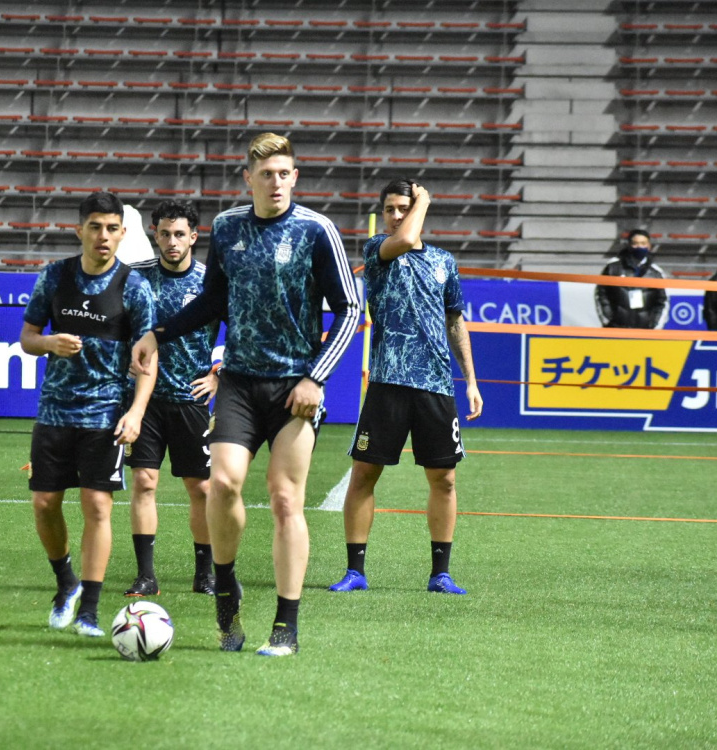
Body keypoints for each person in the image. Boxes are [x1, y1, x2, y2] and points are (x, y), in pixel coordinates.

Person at [131, 133, 360, 657]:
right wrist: (158, 334)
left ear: (294, 177)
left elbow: (350, 309)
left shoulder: (316, 230)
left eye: (284, 174)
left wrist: (316, 377)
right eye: (266, 174)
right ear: (248, 179)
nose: (276, 182)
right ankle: (226, 588)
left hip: (295, 388)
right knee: (223, 484)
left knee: (285, 498)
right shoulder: (228, 227)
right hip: (237, 381)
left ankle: (285, 625)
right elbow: (213, 300)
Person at [328, 179, 483, 596]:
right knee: (364, 474)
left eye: (403, 208)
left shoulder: (444, 261)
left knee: (444, 479)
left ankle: (440, 574)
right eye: (390, 209)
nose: (396, 216)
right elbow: (407, 238)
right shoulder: (377, 250)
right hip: (387, 383)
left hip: (435, 385)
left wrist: (471, 381)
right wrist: (423, 201)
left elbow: (455, 321)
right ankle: (355, 571)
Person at [19, 192, 157, 637]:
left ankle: (90, 612)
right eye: (95, 227)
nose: (103, 236)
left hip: (104, 412)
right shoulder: (55, 277)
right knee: (44, 503)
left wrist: (136, 412)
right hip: (54, 411)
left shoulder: (134, 286)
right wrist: (49, 343)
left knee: (97, 506)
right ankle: (66, 582)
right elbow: (27, 337)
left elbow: (148, 358)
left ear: (123, 233)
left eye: (112, 228)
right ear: (79, 230)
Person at [124, 200, 220, 598]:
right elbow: (116, 328)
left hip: (190, 400)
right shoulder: (135, 278)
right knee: (144, 482)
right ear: (155, 234)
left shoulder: (210, 281)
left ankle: (205, 574)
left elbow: (243, 331)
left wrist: (218, 376)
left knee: (201, 489)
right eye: (164, 233)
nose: (172, 241)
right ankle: (146, 576)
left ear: (193, 236)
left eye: (180, 234)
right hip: (143, 402)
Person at [594, 229, 668, 329]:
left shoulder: (656, 272)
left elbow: (662, 301)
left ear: (649, 246)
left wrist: (655, 325)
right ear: (629, 245)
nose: (639, 247)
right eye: (635, 243)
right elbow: (601, 294)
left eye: (643, 243)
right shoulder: (613, 267)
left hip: (645, 330)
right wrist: (608, 320)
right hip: (616, 328)